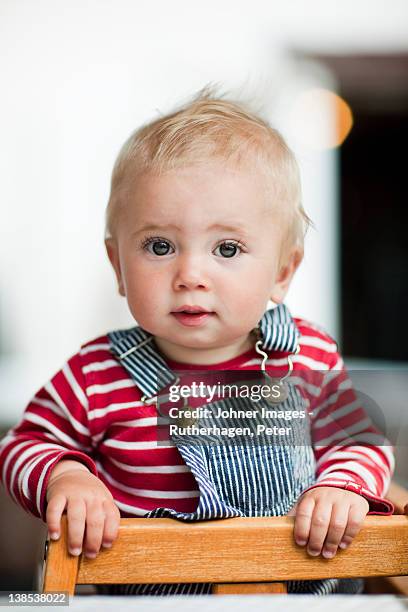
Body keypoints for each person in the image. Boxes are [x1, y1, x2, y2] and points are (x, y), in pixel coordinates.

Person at [0, 88, 395, 595]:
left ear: (282, 271)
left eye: (226, 248)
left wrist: (343, 488)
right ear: (118, 264)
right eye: (159, 246)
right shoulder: (95, 374)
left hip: (297, 598)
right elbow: (23, 444)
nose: (190, 274)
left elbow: (358, 443)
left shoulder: (306, 357)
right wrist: (66, 476)